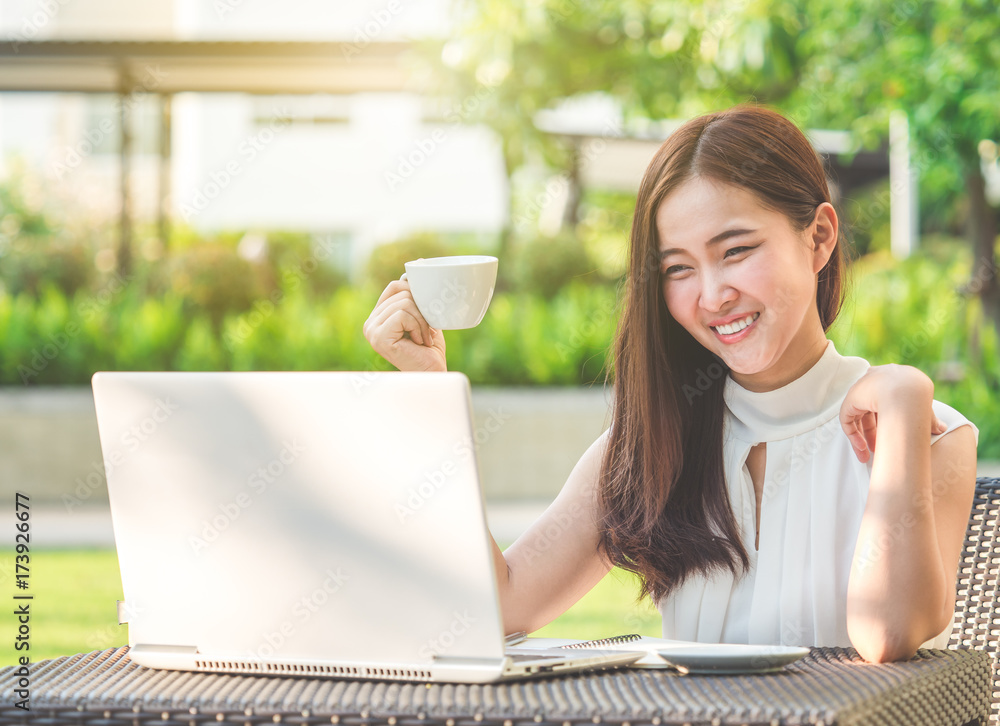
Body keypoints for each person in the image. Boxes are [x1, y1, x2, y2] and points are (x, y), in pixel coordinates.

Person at [362, 104, 979, 663]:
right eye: (679, 268)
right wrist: (428, 391)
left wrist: (901, 402)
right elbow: (496, 608)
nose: (712, 296)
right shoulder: (649, 444)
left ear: (818, 237)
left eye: (736, 250)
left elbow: (889, 634)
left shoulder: (929, 436)